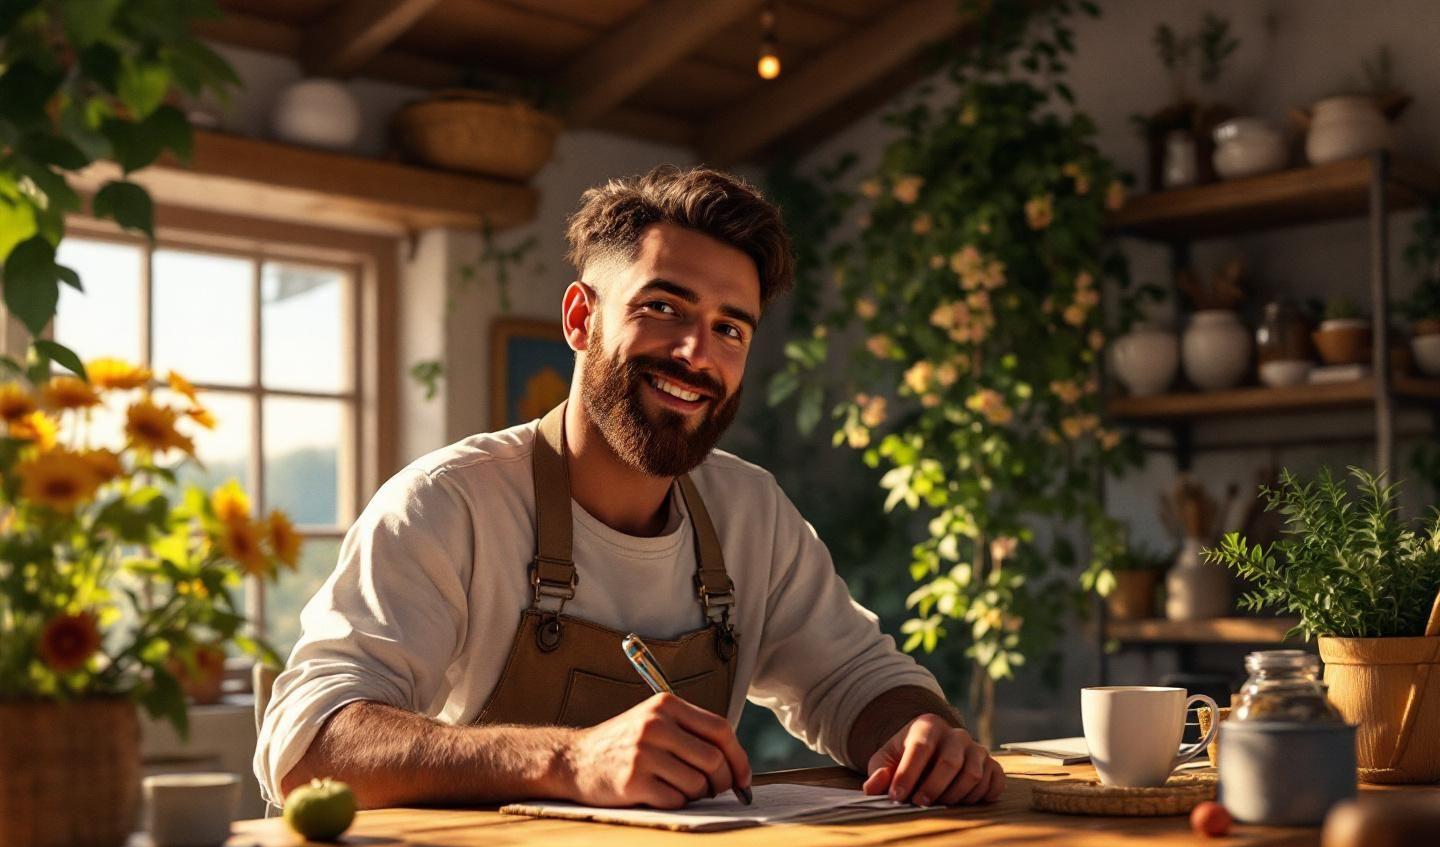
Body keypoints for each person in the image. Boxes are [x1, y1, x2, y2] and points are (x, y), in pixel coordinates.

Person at [255, 166, 1005, 811]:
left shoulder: (751, 512)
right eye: (663, 308)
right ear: (582, 319)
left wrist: (916, 732)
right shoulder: (451, 504)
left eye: (729, 329)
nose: (694, 353)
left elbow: (854, 678)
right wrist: (568, 761)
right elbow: (307, 743)